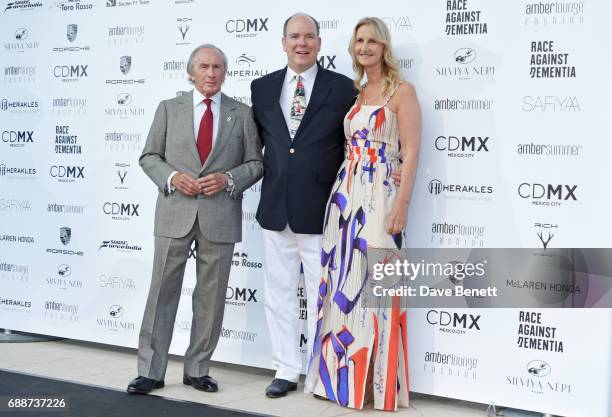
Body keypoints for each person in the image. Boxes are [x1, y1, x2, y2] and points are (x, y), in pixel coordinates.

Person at [127, 44, 263, 395]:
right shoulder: (168, 110)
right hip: (175, 212)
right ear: (191, 72)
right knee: (161, 293)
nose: (211, 73)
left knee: (211, 296)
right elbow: (149, 156)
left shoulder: (242, 113)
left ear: (225, 72)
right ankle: (151, 371)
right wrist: (172, 178)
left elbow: (256, 163)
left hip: (220, 215)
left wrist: (228, 179)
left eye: (218, 67)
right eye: (204, 66)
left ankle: (198, 369)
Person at [304, 17, 421, 411]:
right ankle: (341, 381)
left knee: (377, 286)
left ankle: (377, 385)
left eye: (372, 40)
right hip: (345, 195)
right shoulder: (356, 93)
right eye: (359, 41)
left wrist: (401, 204)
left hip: (382, 194)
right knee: (342, 284)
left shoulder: (402, 92)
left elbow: (412, 151)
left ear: (384, 46)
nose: (365, 47)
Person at [250, 13, 357, 398]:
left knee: (320, 295)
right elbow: (263, 147)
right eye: (294, 36)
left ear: (319, 43)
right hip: (274, 209)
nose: (301, 43)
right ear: (283, 43)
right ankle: (285, 367)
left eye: (308, 36)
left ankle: (319, 368)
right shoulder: (261, 88)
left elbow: (351, 149)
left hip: (321, 210)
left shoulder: (344, 89)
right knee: (278, 292)